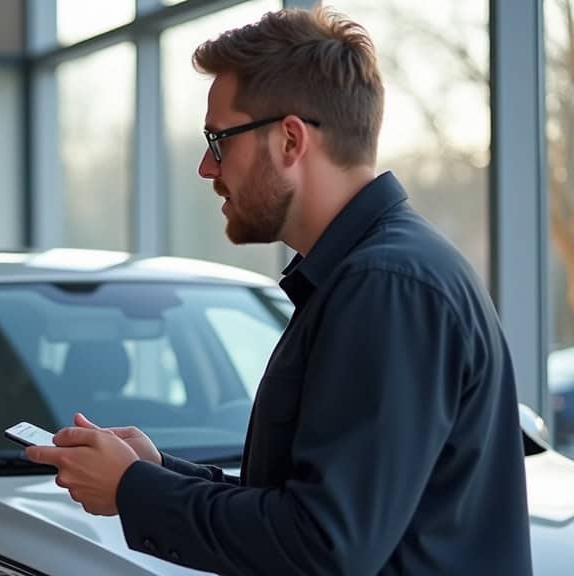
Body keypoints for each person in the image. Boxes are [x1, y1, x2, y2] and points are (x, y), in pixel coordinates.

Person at [26, 8, 532, 575]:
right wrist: (156, 474)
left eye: (218, 140)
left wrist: (133, 490)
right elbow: (311, 510)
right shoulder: (374, 274)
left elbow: (323, 546)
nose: (204, 167)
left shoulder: (385, 286)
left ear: (291, 139)